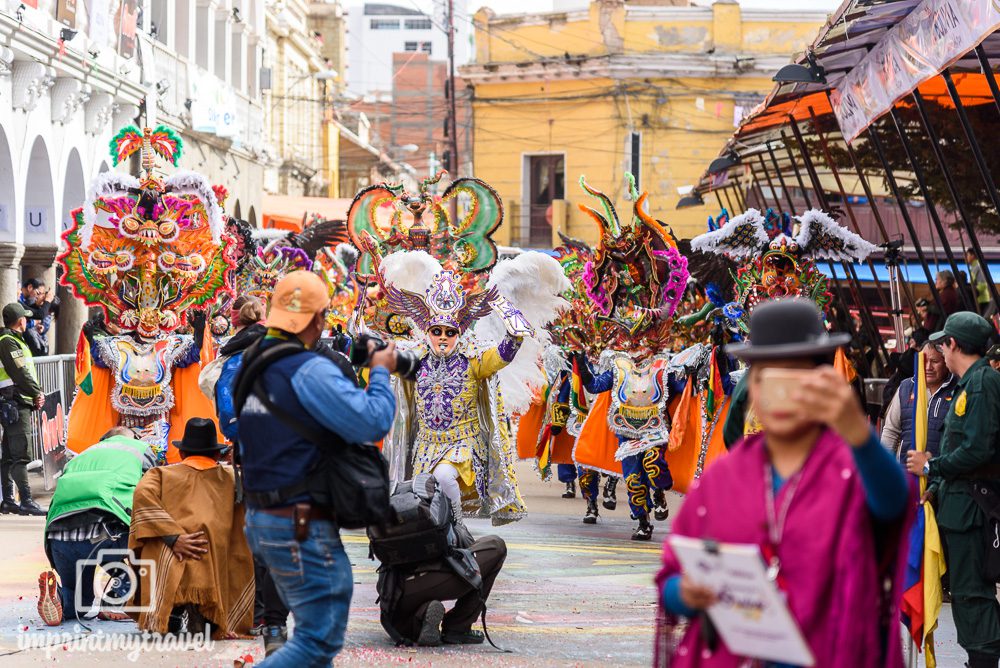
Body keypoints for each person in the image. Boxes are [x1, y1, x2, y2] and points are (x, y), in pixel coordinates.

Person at [655, 298, 910, 667]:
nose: (781, 392)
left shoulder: (853, 469)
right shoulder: (722, 478)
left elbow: (893, 504)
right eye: (766, 376)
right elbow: (671, 577)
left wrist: (858, 434)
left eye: (795, 376)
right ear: (751, 387)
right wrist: (685, 593)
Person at [236, 271, 397, 667]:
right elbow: (373, 420)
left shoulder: (251, 364)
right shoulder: (308, 368)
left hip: (262, 514)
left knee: (314, 641)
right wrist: (380, 371)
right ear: (318, 319)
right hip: (300, 522)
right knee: (317, 640)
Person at [906, 311, 1000, 667]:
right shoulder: (969, 383)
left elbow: (978, 449)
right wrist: (938, 486)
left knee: (973, 593)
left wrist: (933, 467)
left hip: (973, 510)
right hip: (958, 506)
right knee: (964, 593)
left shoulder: (981, 384)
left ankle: (984, 661)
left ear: (953, 344)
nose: (940, 353)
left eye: (942, 344)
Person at [128, 417, 254, 638]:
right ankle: (212, 613)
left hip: (169, 562)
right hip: (214, 561)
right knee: (238, 544)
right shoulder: (234, 478)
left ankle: (169, 611)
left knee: (153, 543)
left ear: (182, 454)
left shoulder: (158, 475)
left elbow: (142, 497)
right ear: (216, 455)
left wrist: (173, 537)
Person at [37, 427, 156, 625]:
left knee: (79, 600)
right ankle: (117, 598)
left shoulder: (82, 455)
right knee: (142, 555)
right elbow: (154, 489)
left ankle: (59, 598)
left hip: (58, 536)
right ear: (133, 437)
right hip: (107, 532)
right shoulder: (140, 449)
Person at [376, 478, 508, 647]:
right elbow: (465, 547)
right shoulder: (439, 507)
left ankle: (420, 617)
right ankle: (458, 627)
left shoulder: (392, 505)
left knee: (406, 623)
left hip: (393, 593)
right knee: (496, 547)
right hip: (433, 580)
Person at [0, 302, 46, 516]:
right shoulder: (9, 342)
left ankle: (9, 500)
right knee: (21, 455)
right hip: (16, 402)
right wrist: (37, 392)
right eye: (25, 318)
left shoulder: (14, 341)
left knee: (10, 454)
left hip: (15, 401)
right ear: (20, 321)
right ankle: (26, 500)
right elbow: (21, 373)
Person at [881, 342, 958, 461]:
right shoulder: (905, 388)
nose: (928, 367)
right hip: (907, 472)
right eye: (924, 361)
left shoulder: (957, 389)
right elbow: (891, 432)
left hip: (941, 474)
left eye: (935, 361)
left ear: (946, 362)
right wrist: (884, 466)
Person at [967, 248, 993, 316]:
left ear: (973, 256)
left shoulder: (978, 267)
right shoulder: (973, 267)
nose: (966, 257)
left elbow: (983, 285)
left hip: (981, 300)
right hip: (977, 299)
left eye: (968, 255)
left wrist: (972, 292)